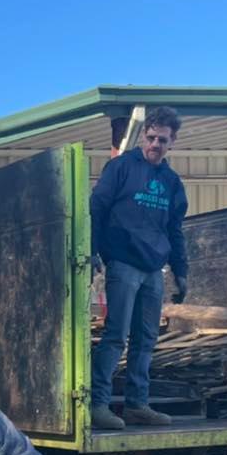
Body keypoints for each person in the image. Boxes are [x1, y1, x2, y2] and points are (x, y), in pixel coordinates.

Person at [88, 106, 190, 431]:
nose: (155, 145)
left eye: (162, 140)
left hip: (153, 269)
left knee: (146, 338)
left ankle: (137, 405)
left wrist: (181, 270)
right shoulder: (120, 168)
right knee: (116, 335)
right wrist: (91, 251)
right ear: (144, 135)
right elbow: (96, 208)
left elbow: (175, 229)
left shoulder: (172, 182)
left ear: (172, 142)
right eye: (151, 137)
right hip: (123, 263)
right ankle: (98, 404)